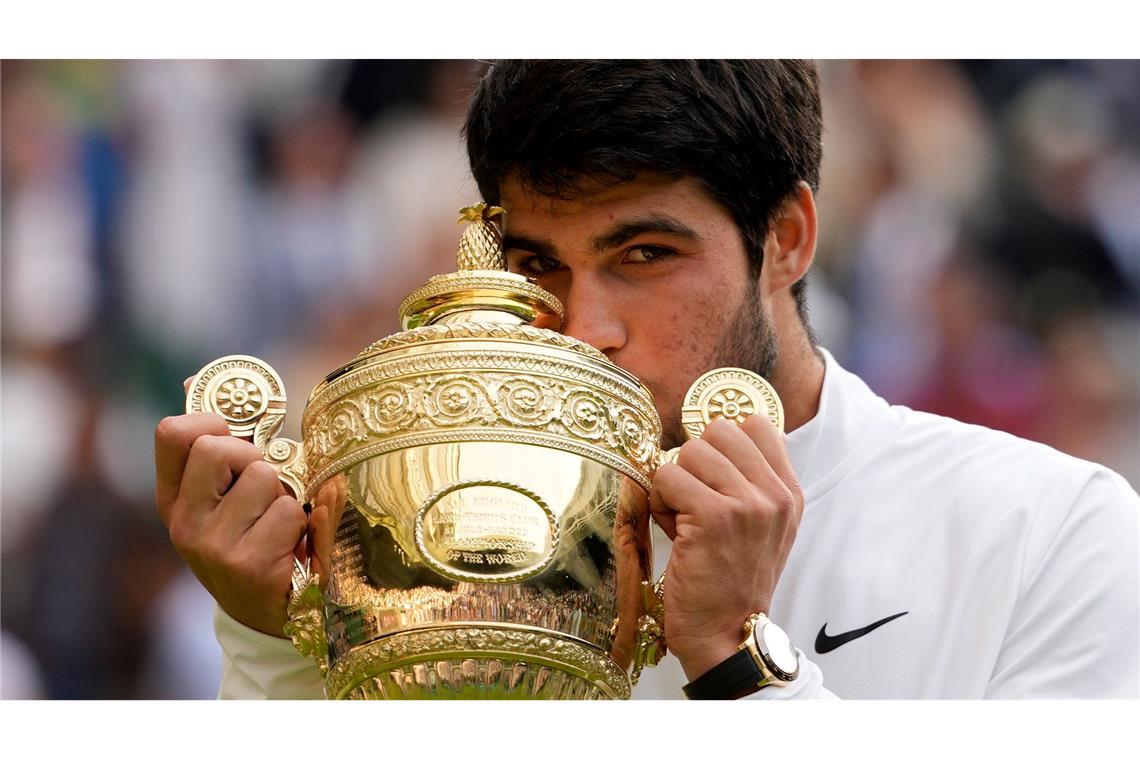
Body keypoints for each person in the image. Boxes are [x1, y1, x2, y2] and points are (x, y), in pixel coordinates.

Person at [154, 60, 1140, 699]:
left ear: (787, 239)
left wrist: (735, 657)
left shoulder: (1049, 530)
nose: (586, 328)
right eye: (540, 264)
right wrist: (278, 630)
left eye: (644, 253)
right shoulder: (440, 539)